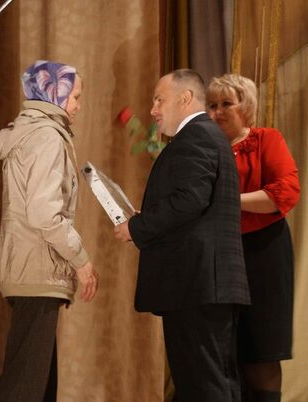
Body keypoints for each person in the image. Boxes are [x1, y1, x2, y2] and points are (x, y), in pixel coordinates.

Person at [114, 69, 250, 402]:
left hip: (197, 284)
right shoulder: (204, 136)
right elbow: (191, 201)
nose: (153, 110)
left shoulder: (197, 136)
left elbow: (190, 199)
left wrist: (137, 227)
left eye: (159, 100)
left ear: (185, 98)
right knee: (208, 383)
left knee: (204, 386)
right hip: (202, 284)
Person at [0, 60, 99, 402]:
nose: (78, 106)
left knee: (38, 384)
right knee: (25, 386)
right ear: (55, 93)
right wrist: (81, 261)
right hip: (37, 269)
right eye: (75, 96)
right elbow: (44, 212)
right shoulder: (47, 138)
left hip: (30, 268)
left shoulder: (32, 134)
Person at [206, 73, 300, 402]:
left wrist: (229, 200)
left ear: (245, 107)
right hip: (219, 254)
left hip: (263, 252)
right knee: (224, 348)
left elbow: (284, 193)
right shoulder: (204, 150)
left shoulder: (266, 140)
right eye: (212, 105)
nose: (217, 112)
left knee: (261, 348)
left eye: (226, 104)